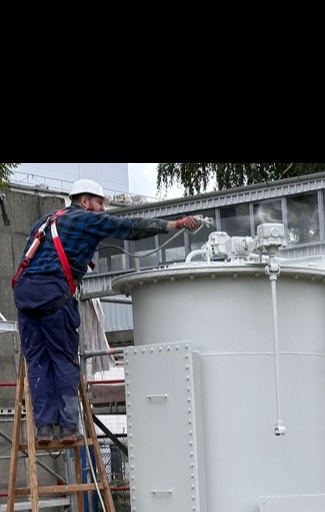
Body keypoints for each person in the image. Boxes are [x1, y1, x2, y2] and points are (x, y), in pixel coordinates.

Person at [12, 180, 199, 446]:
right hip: (54, 295)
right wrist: (173, 225)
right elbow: (129, 227)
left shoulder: (42, 222)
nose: (102, 210)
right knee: (64, 360)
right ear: (85, 201)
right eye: (100, 204)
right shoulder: (87, 220)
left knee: (39, 363)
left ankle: (44, 429)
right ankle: (67, 428)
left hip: (25, 295)